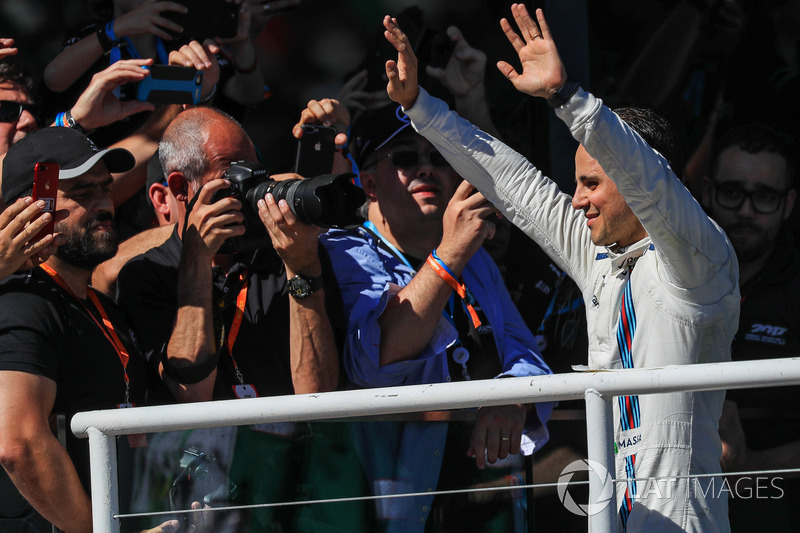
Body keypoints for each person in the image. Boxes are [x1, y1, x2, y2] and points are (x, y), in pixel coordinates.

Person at [382, 5, 739, 532]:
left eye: (591, 184)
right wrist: (422, 108)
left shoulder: (700, 260)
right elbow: (516, 183)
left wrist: (568, 98)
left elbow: (652, 183)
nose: (576, 201)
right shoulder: (601, 257)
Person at [306, 97, 551, 531]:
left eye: (438, 158)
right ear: (368, 183)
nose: (425, 168)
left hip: (482, 492)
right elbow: (374, 362)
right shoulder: (342, 249)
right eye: (404, 158)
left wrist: (511, 398)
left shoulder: (476, 258)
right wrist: (450, 253)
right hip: (383, 504)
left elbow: (527, 355)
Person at [0, 127, 177, 532]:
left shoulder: (102, 305)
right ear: (29, 209)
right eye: (82, 194)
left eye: (105, 189)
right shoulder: (23, 301)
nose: (104, 205)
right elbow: (19, 445)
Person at [701, 123, 800, 531]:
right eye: (731, 192)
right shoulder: (663, 270)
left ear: (789, 204)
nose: (745, 211)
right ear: (706, 192)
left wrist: (753, 468)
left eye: (764, 197)